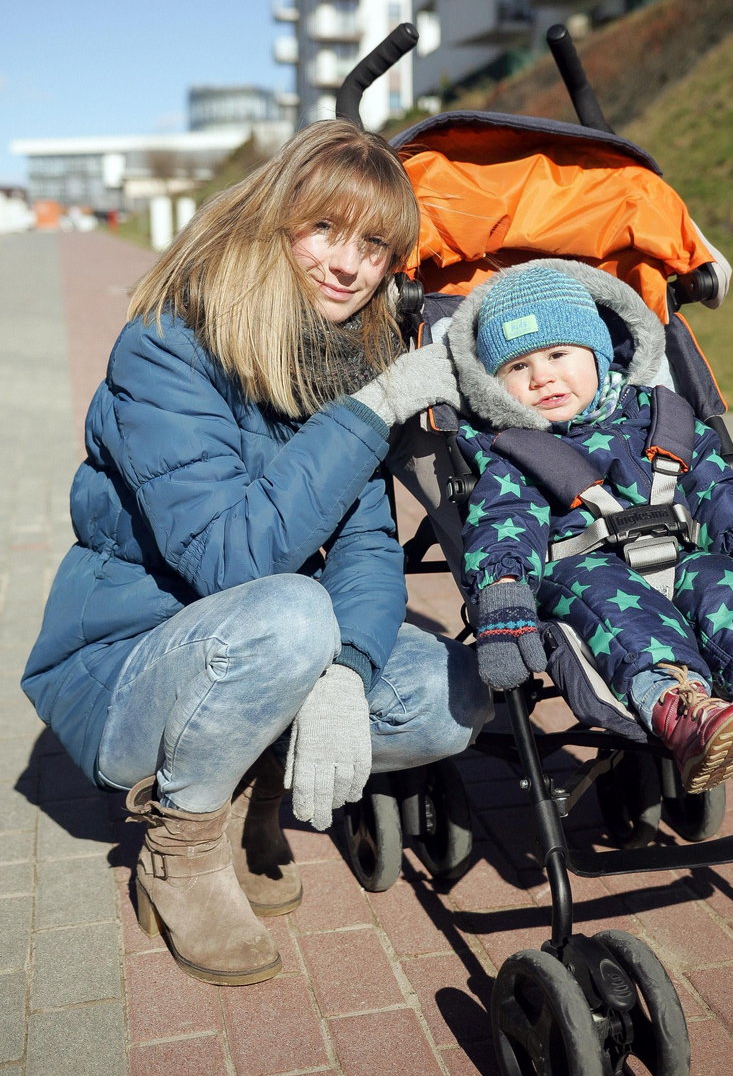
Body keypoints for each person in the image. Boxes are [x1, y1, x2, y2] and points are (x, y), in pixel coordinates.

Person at [22, 120, 492, 987]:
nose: (346, 266)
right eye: (325, 229)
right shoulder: (168, 346)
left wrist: (348, 672)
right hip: (132, 668)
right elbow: (232, 560)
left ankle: (255, 788)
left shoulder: (343, 362)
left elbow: (364, 547)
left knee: (453, 692)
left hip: (262, 651)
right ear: (273, 218)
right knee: (290, 609)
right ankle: (183, 845)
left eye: (375, 248)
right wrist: (367, 413)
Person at [446, 259, 733, 796]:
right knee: (620, 610)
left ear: (598, 354)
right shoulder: (514, 451)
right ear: (494, 385)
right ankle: (684, 709)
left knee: (731, 585)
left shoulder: (660, 418)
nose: (542, 377)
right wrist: (505, 598)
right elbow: (503, 524)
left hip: (677, 553)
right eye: (518, 368)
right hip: (582, 568)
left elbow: (713, 483)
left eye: (559, 354)